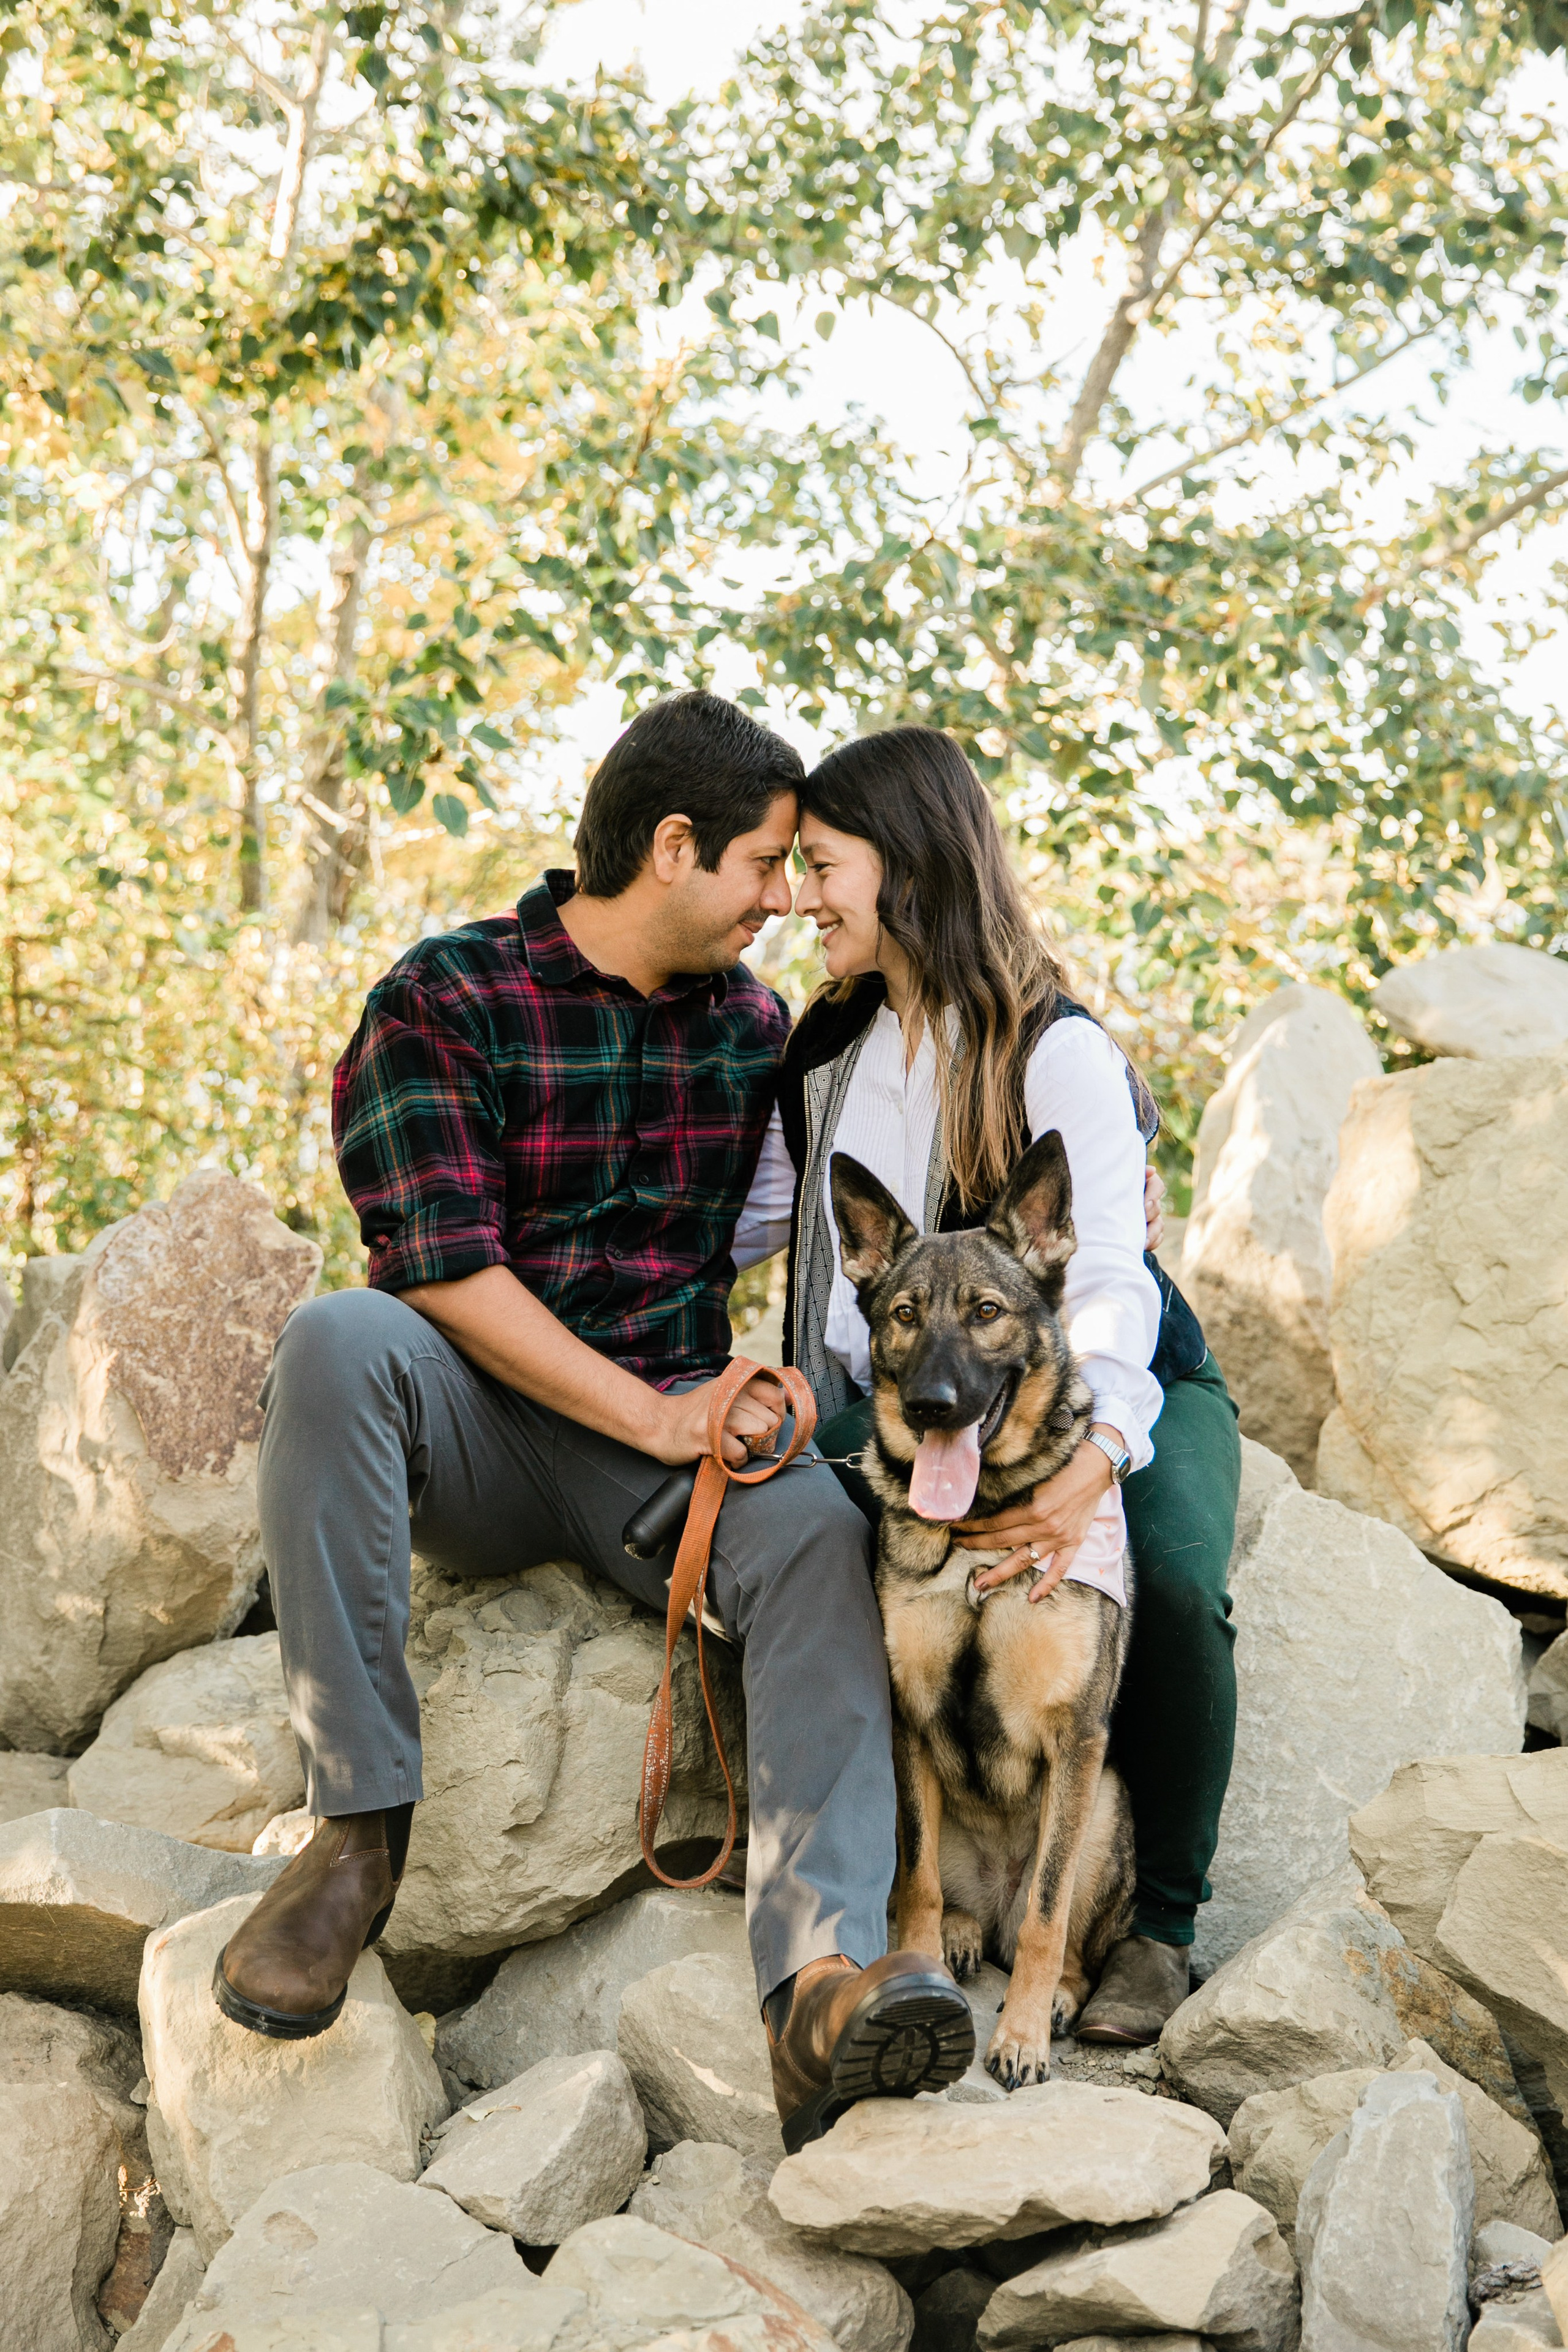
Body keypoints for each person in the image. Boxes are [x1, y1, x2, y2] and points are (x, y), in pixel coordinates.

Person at [215, 692, 976, 2150]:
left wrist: (1103, 1116)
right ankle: (356, 1838)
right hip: (478, 1437)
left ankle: (816, 1985)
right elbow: (436, 1265)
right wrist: (657, 1414)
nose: (780, 896)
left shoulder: (757, 1027)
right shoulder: (443, 998)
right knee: (334, 1337)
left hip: (673, 1457)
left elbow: (923, 1081)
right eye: (764, 865)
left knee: (821, 1524)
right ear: (673, 848)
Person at [733, 725, 1242, 2041]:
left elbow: (1116, 1279)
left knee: (1172, 1582)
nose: (797, 899)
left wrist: (1092, 1462)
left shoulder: (1050, 1046)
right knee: (795, 1517)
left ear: (902, 868)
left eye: (820, 867)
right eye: (786, 870)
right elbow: (757, 1228)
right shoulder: (825, 1053)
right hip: (911, 1394)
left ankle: (1159, 1931)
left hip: (1116, 1381)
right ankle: (866, 1895)